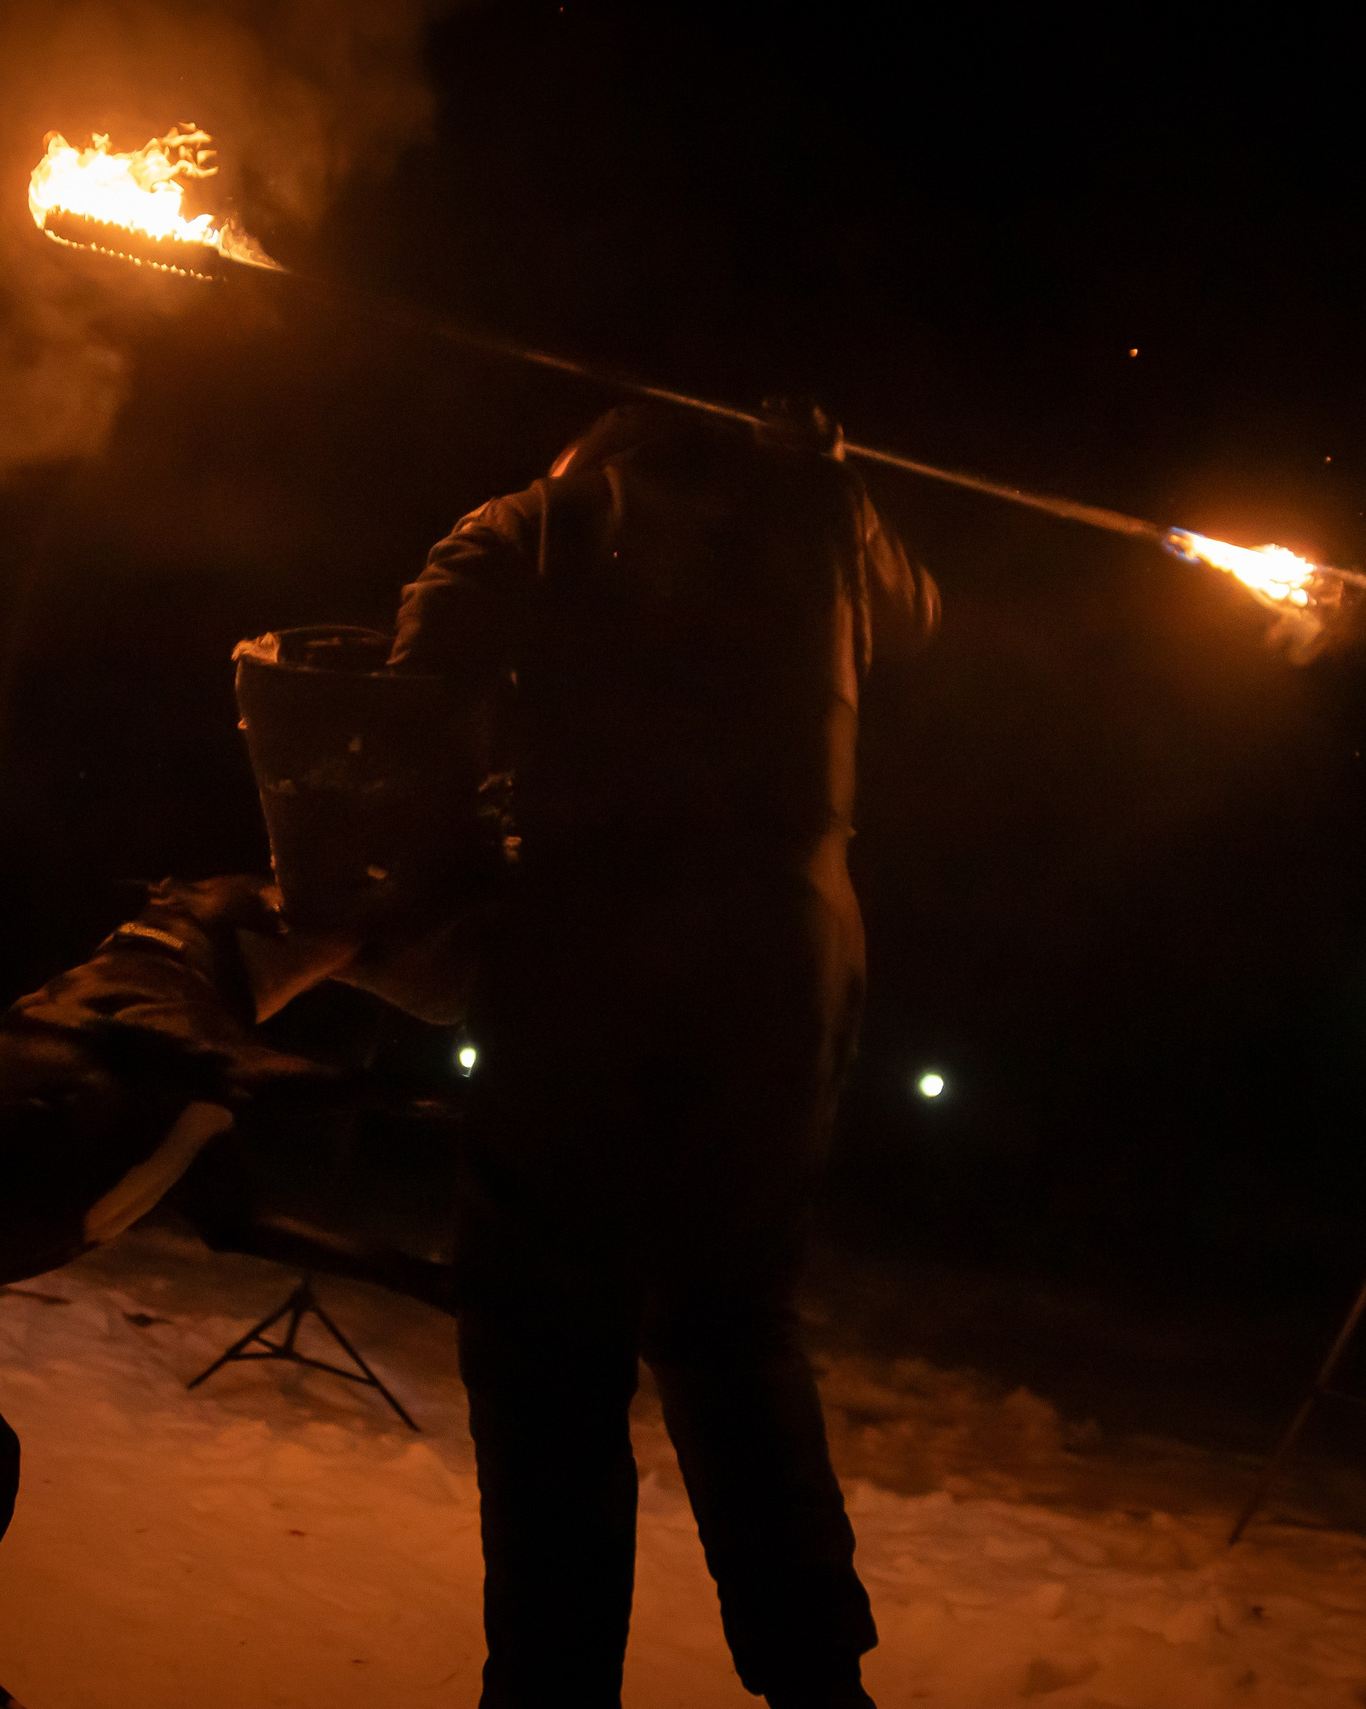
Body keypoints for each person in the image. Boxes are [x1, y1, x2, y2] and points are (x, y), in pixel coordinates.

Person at [392, 400, 940, 1708]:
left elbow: (415, 688)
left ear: (589, 450)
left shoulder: (538, 520)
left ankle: (549, 1685)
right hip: (790, 970)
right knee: (735, 1325)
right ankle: (818, 1682)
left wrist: (448, 873)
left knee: (546, 1344)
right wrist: (841, 482)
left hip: (592, 961)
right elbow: (919, 612)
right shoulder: (822, 518)